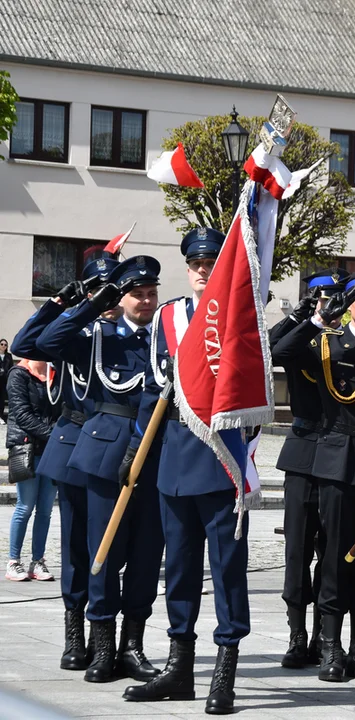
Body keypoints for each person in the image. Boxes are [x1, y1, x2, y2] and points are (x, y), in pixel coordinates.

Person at [122, 227, 247, 715]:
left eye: (210, 261)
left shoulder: (240, 312)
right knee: (177, 568)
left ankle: (225, 671)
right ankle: (180, 667)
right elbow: (158, 376)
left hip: (220, 451)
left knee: (226, 568)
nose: (201, 268)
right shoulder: (170, 315)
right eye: (194, 261)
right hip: (176, 447)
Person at [271, 268, 355, 684]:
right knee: (320, 553)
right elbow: (280, 352)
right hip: (330, 456)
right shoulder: (325, 345)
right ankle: (318, 640)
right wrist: (312, 317)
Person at [36, 256, 164, 684]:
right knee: (96, 552)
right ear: (120, 297)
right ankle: (96, 643)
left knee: (147, 554)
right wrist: (88, 305)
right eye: (135, 293)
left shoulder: (166, 338)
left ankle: (132, 645)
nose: (145, 301)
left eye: (151, 293)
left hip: (158, 453)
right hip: (103, 450)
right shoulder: (97, 335)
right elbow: (40, 343)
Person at [11, 250, 120, 671]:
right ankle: (76, 633)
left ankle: (109, 637)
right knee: (75, 545)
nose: (108, 300)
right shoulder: (74, 332)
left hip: (114, 447)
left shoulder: (131, 334)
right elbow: (25, 345)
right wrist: (63, 303)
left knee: (109, 547)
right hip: (74, 444)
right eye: (99, 291)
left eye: (114, 292)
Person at [268, 271, 343, 670]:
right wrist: (302, 318)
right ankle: (297, 635)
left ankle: (324, 636)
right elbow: (274, 352)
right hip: (302, 449)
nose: (328, 306)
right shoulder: (302, 335)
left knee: (331, 550)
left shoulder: (349, 340)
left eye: (334, 299)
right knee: (297, 550)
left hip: (338, 450)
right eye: (320, 298)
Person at [6, 358, 59, 581]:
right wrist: (53, 435)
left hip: (52, 450)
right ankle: (13, 561)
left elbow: (63, 408)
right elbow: (21, 413)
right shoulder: (19, 374)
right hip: (27, 448)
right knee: (25, 506)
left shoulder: (57, 373)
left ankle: (38, 561)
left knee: (45, 510)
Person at [0, 338, 13, 420]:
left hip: (5, 380)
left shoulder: (9, 356)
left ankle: (1, 416)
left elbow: (11, 367)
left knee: (2, 398)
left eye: (5, 345)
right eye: (1, 344)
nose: (3, 346)